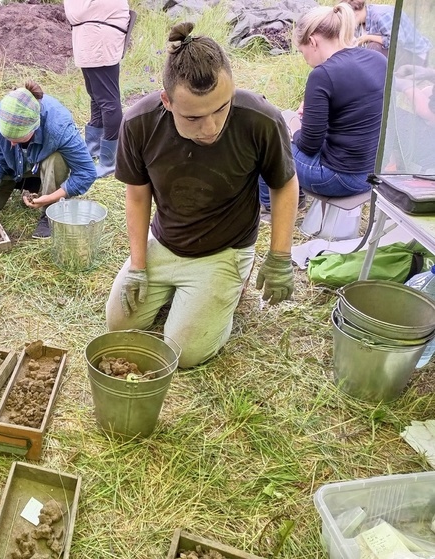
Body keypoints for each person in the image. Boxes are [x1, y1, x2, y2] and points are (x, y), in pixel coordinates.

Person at [106, 23, 298, 369]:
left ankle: (226, 287)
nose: (211, 128)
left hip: (223, 249)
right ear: (167, 101)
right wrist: (137, 266)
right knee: (119, 326)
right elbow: (137, 196)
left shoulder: (260, 120)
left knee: (184, 353)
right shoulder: (140, 123)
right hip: (165, 241)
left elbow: (284, 184)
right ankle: (187, 296)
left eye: (221, 108)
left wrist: (280, 256)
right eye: (193, 116)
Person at [259, 3, 386, 210]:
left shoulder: (322, 74)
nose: (306, 60)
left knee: (267, 142)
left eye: (302, 52)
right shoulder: (377, 58)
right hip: (372, 171)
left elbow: (309, 145)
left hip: (340, 177)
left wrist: (294, 131)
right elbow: (356, 111)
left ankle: (270, 207)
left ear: (312, 41)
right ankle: (292, 197)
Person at [0, 81, 97, 239]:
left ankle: (50, 211)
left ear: (35, 126)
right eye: (7, 138)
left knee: (56, 159)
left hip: (44, 163)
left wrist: (50, 198)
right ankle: (25, 186)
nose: (12, 143)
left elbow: (86, 173)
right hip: (13, 166)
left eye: (18, 138)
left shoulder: (59, 126)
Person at [64, 0, 130, 178]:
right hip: (90, 33)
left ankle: (109, 160)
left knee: (107, 100)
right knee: (96, 95)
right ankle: (94, 148)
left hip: (100, 33)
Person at [338, 0, 432, 66]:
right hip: (398, 54)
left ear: (354, 14)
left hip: (415, 56)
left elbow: (398, 41)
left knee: (373, 48)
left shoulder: (381, 15)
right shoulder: (361, 21)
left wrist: (368, 37)